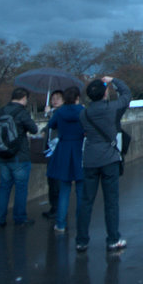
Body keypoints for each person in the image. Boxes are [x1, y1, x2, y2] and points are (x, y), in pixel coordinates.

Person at [76, 76, 131, 253]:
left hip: (90, 159)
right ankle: (113, 239)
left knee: (86, 202)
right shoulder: (112, 109)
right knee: (111, 202)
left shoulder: (83, 114)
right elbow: (127, 95)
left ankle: (81, 240)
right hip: (109, 159)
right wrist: (114, 80)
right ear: (105, 93)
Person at [0, 86, 39, 227]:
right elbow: (34, 129)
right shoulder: (22, 112)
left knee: (4, 187)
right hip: (19, 155)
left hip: (2, 154)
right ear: (24, 98)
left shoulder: (1, 111)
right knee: (21, 188)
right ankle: (20, 218)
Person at [46, 85, 85, 234]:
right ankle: (81, 223)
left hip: (63, 150)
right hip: (79, 149)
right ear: (77, 98)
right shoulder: (82, 111)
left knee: (64, 190)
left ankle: (60, 223)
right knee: (81, 190)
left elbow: (51, 125)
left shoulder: (60, 112)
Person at [42, 89, 64, 219]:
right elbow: (49, 127)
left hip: (58, 151)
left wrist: (49, 113)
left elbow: (57, 124)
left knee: (56, 182)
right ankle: (54, 207)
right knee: (51, 181)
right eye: (53, 98)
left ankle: (57, 208)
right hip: (50, 151)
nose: (55, 101)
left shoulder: (61, 113)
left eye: (58, 98)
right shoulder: (54, 113)